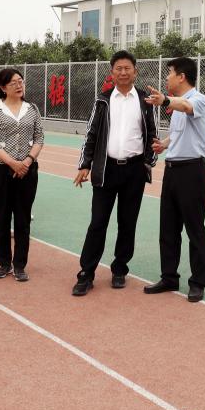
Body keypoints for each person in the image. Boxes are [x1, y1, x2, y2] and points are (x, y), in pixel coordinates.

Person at [71, 50, 158, 296]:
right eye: (118, 68)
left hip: (134, 171)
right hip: (106, 170)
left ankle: (120, 269)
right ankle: (86, 273)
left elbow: (153, 133)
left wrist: (148, 163)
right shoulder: (103, 100)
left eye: (127, 68)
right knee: (98, 223)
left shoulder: (145, 101)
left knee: (127, 223)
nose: (123, 72)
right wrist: (85, 164)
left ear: (135, 72)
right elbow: (91, 134)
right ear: (111, 73)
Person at [142, 57, 205, 303]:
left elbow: (185, 107)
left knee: (194, 229)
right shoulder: (178, 104)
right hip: (172, 171)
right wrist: (164, 144)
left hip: (191, 172)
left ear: (182, 76)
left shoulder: (198, 100)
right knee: (168, 228)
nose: (167, 77)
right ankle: (169, 277)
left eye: (170, 73)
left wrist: (165, 100)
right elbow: (179, 132)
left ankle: (198, 282)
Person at [0, 68, 44, 282]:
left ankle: (19, 265)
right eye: (13, 83)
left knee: (22, 219)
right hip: (0, 171)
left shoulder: (32, 109)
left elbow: (39, 138)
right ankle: (4, 263)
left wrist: (27, 161)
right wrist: (12, 163)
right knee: (1, 219)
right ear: (3, 87)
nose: (19, 86)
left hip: (27, 171)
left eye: (21, 81)